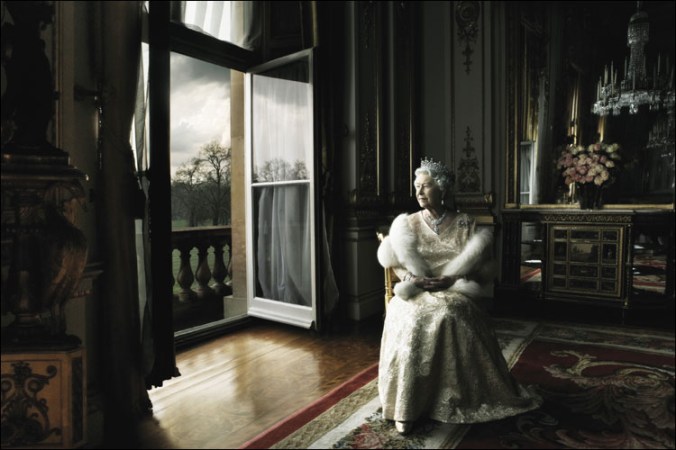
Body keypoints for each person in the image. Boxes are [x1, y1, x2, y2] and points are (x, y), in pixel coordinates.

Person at [376, 157, 542, 435]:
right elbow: (395, 262)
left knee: (449, 314)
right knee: (410, 317)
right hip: (416, 290)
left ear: (442, 188)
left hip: (454, 289)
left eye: (426, 186)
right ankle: (407, 404)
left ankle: (452, 397)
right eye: (417, 186)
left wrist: (452, 278)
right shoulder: (407, 224)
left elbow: (481, 267)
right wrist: (412, 279)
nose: (419, 192)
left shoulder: (465, 223)